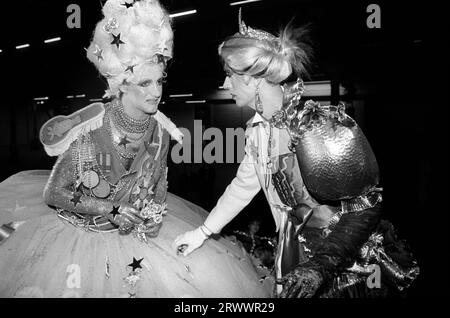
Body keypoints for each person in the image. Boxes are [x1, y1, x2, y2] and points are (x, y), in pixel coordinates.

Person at [0, 0, 269, 298]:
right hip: (78, 242)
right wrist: (110, 208)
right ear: (123, 85)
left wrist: (153, 214)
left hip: (134, 243)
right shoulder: (91, 127)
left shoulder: (161, 130)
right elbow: (54, 193)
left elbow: (157, 185)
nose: (156, 92)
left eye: (159, 81)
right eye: (145, 83)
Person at [174, 10, 419, 298]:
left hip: (342, 268)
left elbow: (366, 205)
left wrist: (321, 267)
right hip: (293, 255)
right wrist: (202, 232)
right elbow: (242, 188)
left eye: (229, 75)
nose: (225, 85)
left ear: (253, 79)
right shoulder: (256, 131)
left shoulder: (315, 125)